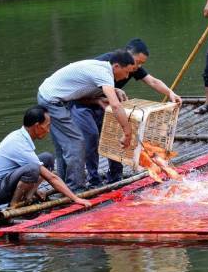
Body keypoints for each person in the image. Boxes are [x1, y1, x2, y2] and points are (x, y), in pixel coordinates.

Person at [72, 38, 182, 186]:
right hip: (84, 103)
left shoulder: (133, 67)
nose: (137, 67)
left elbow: (153, 81)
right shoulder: (106, 63)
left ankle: (115, 175)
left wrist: (170, 93)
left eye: (141, 63)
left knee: (117, 136)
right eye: (137, 62)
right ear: (126, 57)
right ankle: (93, 179)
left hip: (107, 104)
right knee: (92, 136)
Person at [37, 50, 135, 191]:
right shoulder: (104, 74)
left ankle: (64, 185)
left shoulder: (101, 68)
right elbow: (115, 105)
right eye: (127, 72)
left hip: (48, 94)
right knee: (75, 142)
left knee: (63, 145)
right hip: (52, 100)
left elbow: (79, 91)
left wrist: (103, 96)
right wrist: (127, 132)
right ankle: (76, 187)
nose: (127, 76)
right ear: (117, 67)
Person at [0, 105, 92, 209]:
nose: (48, 130)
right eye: (47, 126)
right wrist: (76, 199)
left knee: (47, 158)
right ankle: (14, 205)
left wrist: (36, 191)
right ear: (37, 126)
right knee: (33, 168)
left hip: (8, 181)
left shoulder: (21, 136)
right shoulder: (19, 143)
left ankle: (29, 195)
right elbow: (51, 177)